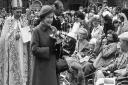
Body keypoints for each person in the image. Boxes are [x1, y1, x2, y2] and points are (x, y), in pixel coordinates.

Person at [0, 0, 29, 85]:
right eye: (17, 12)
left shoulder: (23, 20)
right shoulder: (8, 21)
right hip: (12, 51)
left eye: (20, 12)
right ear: (13, 11)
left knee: (22, 66)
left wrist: (28, 32)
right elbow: (3, 38)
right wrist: (13, 37)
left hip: (22, 49)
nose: (19, 14)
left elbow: (26, 33)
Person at [31, 5, 58, 85]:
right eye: (48, 17)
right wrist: (49, 50)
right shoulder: (36, 31)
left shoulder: (54, 29)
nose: (50, 20)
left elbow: (56, 44)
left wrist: (59, 47)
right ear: (42, 18)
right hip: (41, 66)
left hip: (51, 64)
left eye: (52, 17)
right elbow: (34, 49)